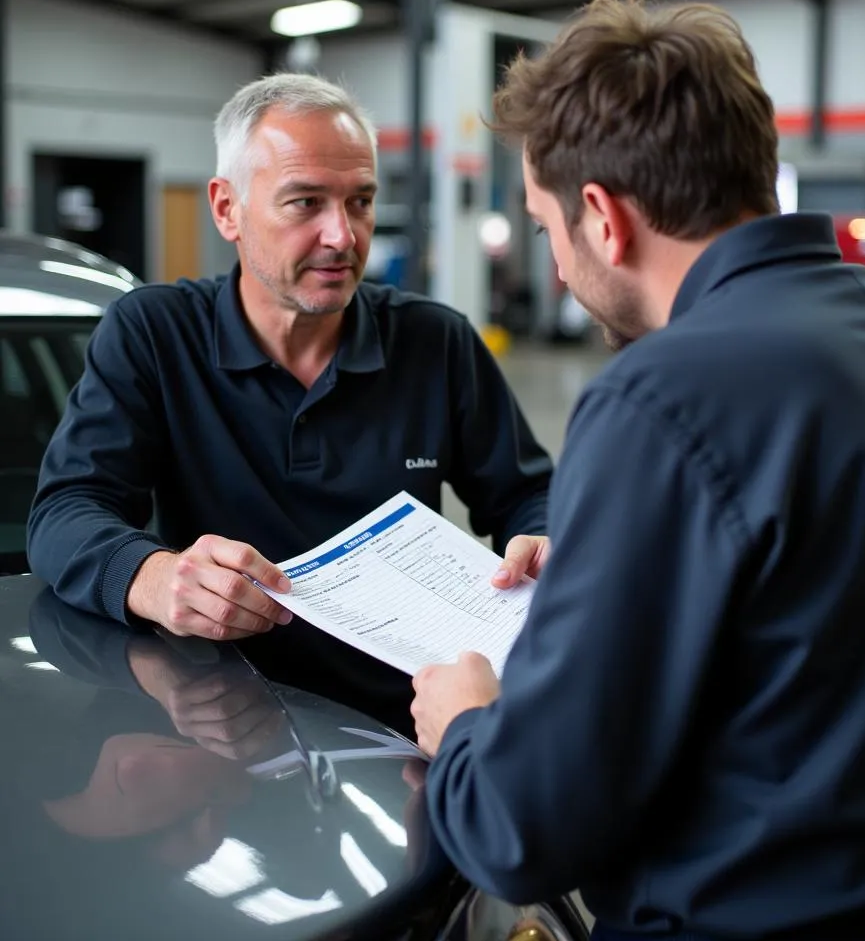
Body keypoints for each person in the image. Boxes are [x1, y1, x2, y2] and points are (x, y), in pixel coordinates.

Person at [409, 0, 865, 941]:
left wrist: (464, 728)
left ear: (604, 219)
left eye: (546, 229)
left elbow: (522, 827)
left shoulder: (657, 398)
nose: (560, 270)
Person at [26, 71, 553, 734]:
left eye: (360, 201)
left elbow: (525, 494)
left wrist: (546, 537)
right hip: (226, 729)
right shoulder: (153, 336)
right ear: (227, 210)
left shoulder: (434, 341)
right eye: (305, 203)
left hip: (410, 724)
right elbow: (65, 512)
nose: (344, 236)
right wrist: (155, 577)